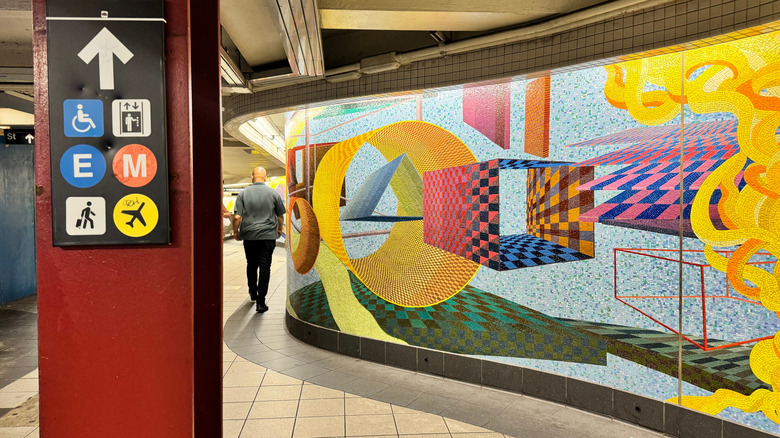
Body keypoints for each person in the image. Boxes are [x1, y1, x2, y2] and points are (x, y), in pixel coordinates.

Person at [233, 167, 285, 312]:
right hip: (267, 236)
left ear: (252, 177)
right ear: (265, 178)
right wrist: (279, 228)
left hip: (249, 236)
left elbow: (237, 217)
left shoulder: (243, 194)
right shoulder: (273, 193)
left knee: (251, 264)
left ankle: (253, 293)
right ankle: (261, 302)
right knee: (265, 267)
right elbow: (280, 216)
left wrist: (235, 231)